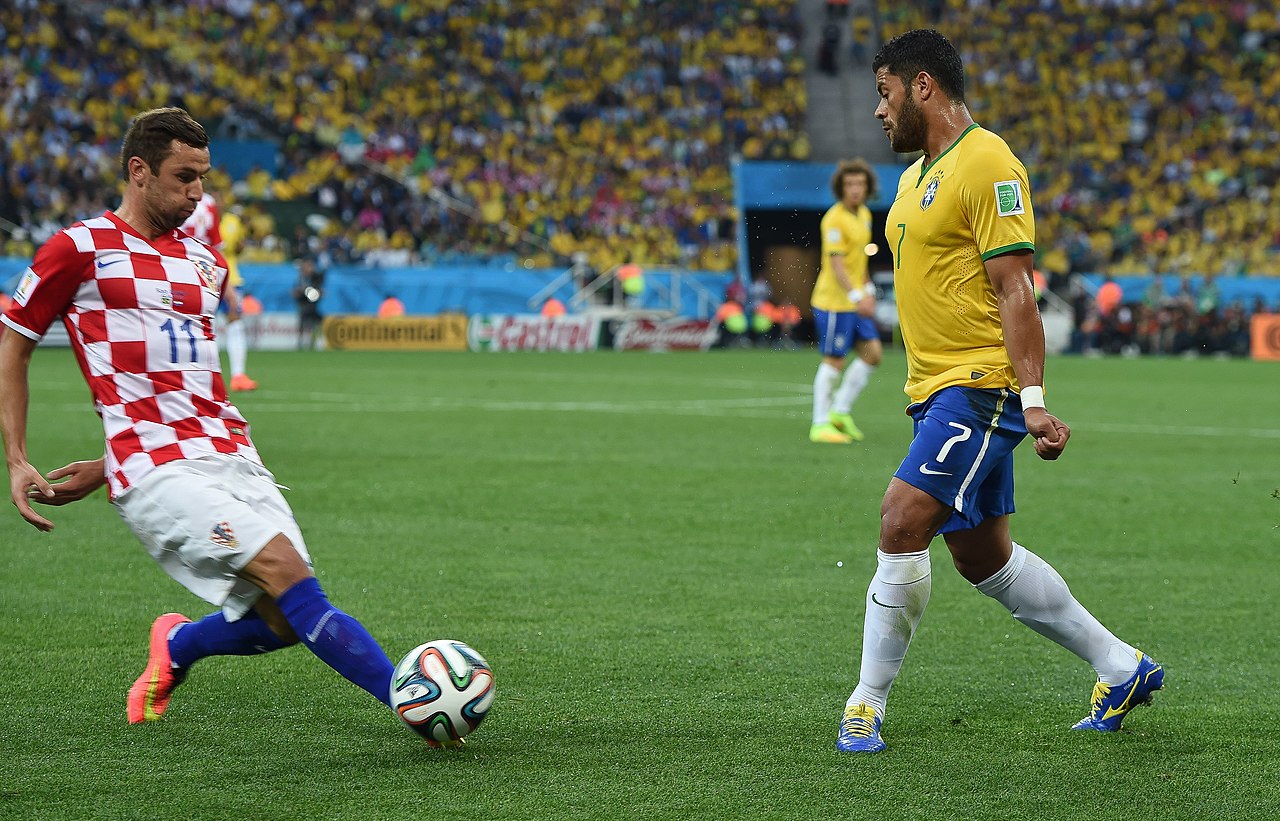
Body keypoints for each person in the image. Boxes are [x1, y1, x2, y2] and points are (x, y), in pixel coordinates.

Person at [0, 107, 396, 726]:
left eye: (204, 179)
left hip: (230, 450)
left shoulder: (206, 265)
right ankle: (415, 699)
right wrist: (19, 458)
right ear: (139, 171)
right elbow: (13, 345)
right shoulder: (78, 250)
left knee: (284, 621)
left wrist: (103, 466)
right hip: (155, 467)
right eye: (184, 177)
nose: (197, 193)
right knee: (290, 576)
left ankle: (178, 646)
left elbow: (183, 384)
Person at [837, 31, 1163, 754]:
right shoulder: (914, 177)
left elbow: (1016, 286)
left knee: (900, 519)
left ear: (923, 86)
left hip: (979, 385)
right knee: (982, 557)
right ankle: (1122, 665)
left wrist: (1033, 396)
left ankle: (865, 702)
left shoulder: (987, 161)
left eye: (886, 93)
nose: (880, 111)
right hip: (932, 391)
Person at [809, 158, 882, 444]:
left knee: (873, 354)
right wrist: (855, 296)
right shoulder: (834, 219)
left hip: (854, 300)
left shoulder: (863, 214)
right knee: (834, 360)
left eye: (860, 184)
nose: (855, 189)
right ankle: (819, 423)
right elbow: (837, 264)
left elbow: (858, 260)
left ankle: (839, 412)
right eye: (850, 184)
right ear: (841, 187)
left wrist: (869, 292)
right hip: (834, 302)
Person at [181, 193, 258, 391]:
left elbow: (224, 247)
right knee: (204, 325)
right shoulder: (203, 205)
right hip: (205, 272)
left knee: (233, 319)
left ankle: (238, 375)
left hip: (217, 273)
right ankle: (200, 376)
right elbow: (217, 247)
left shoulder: (229, 219)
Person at [293, 257, 324, 350]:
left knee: (314, 324)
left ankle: (314, 342)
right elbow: (296, 291)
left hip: (312, 306)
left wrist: (318, 293)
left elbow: (318, 290)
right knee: (303, 324)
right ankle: (301, 343)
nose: (308, 268)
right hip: (303, 305)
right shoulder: (301, 278)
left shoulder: (315, 277)